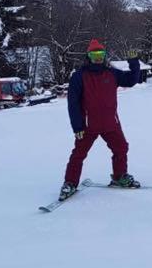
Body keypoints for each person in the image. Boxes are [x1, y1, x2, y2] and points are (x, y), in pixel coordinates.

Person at [58, 39, 142, 201]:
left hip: (111, 123)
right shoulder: (79, 77)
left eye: (101, 55)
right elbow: (73, 104)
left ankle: (119, 176)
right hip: (88, 126)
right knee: (79, 154)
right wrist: (77, 127)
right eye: (94, 55)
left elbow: (131, 81)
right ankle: (70, 183)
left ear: (104, 56)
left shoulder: (111, 73)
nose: (98, 58)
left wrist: (134, 62)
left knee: (121, 148)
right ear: (88, 56)